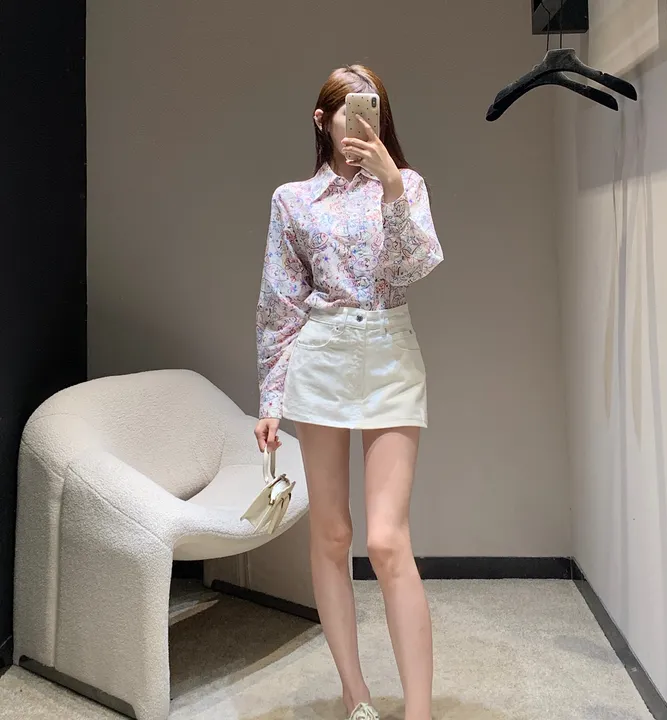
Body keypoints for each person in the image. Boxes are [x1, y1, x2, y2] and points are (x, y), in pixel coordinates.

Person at [254, 64, 443, 720]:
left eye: (373, 107)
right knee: (332, 534)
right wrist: (270, 397)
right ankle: (356, 695)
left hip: (389, 351)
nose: (362, 120)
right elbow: (280, 303)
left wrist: (390, 185)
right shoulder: (293, 201)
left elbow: (416, 265)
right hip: (323, 356)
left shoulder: (406, 184)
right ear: (322, 119)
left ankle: (418, 713)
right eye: (348, 109)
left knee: (388, 541)